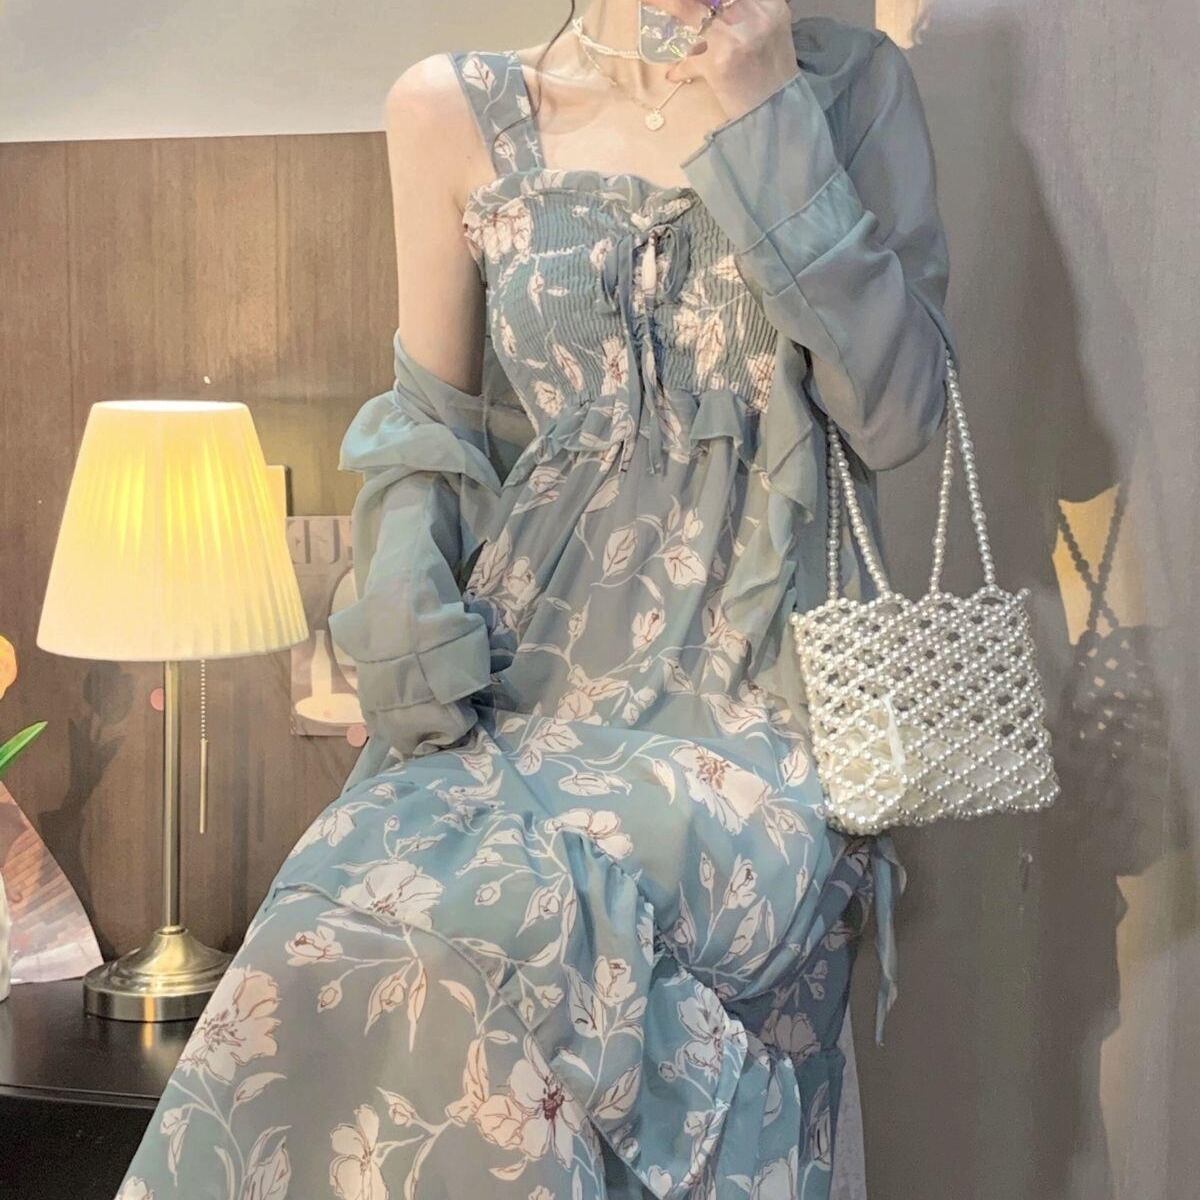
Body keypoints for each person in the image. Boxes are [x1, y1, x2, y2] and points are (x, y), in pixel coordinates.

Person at [115, 3, 954, 1197]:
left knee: (528, 921)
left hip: (754, 686)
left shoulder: (845, 87)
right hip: (526, 675)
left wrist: (770, 112)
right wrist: (404, 617)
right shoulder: (454, 109)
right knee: (332, 914)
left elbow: (900, 412)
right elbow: (430, 424)